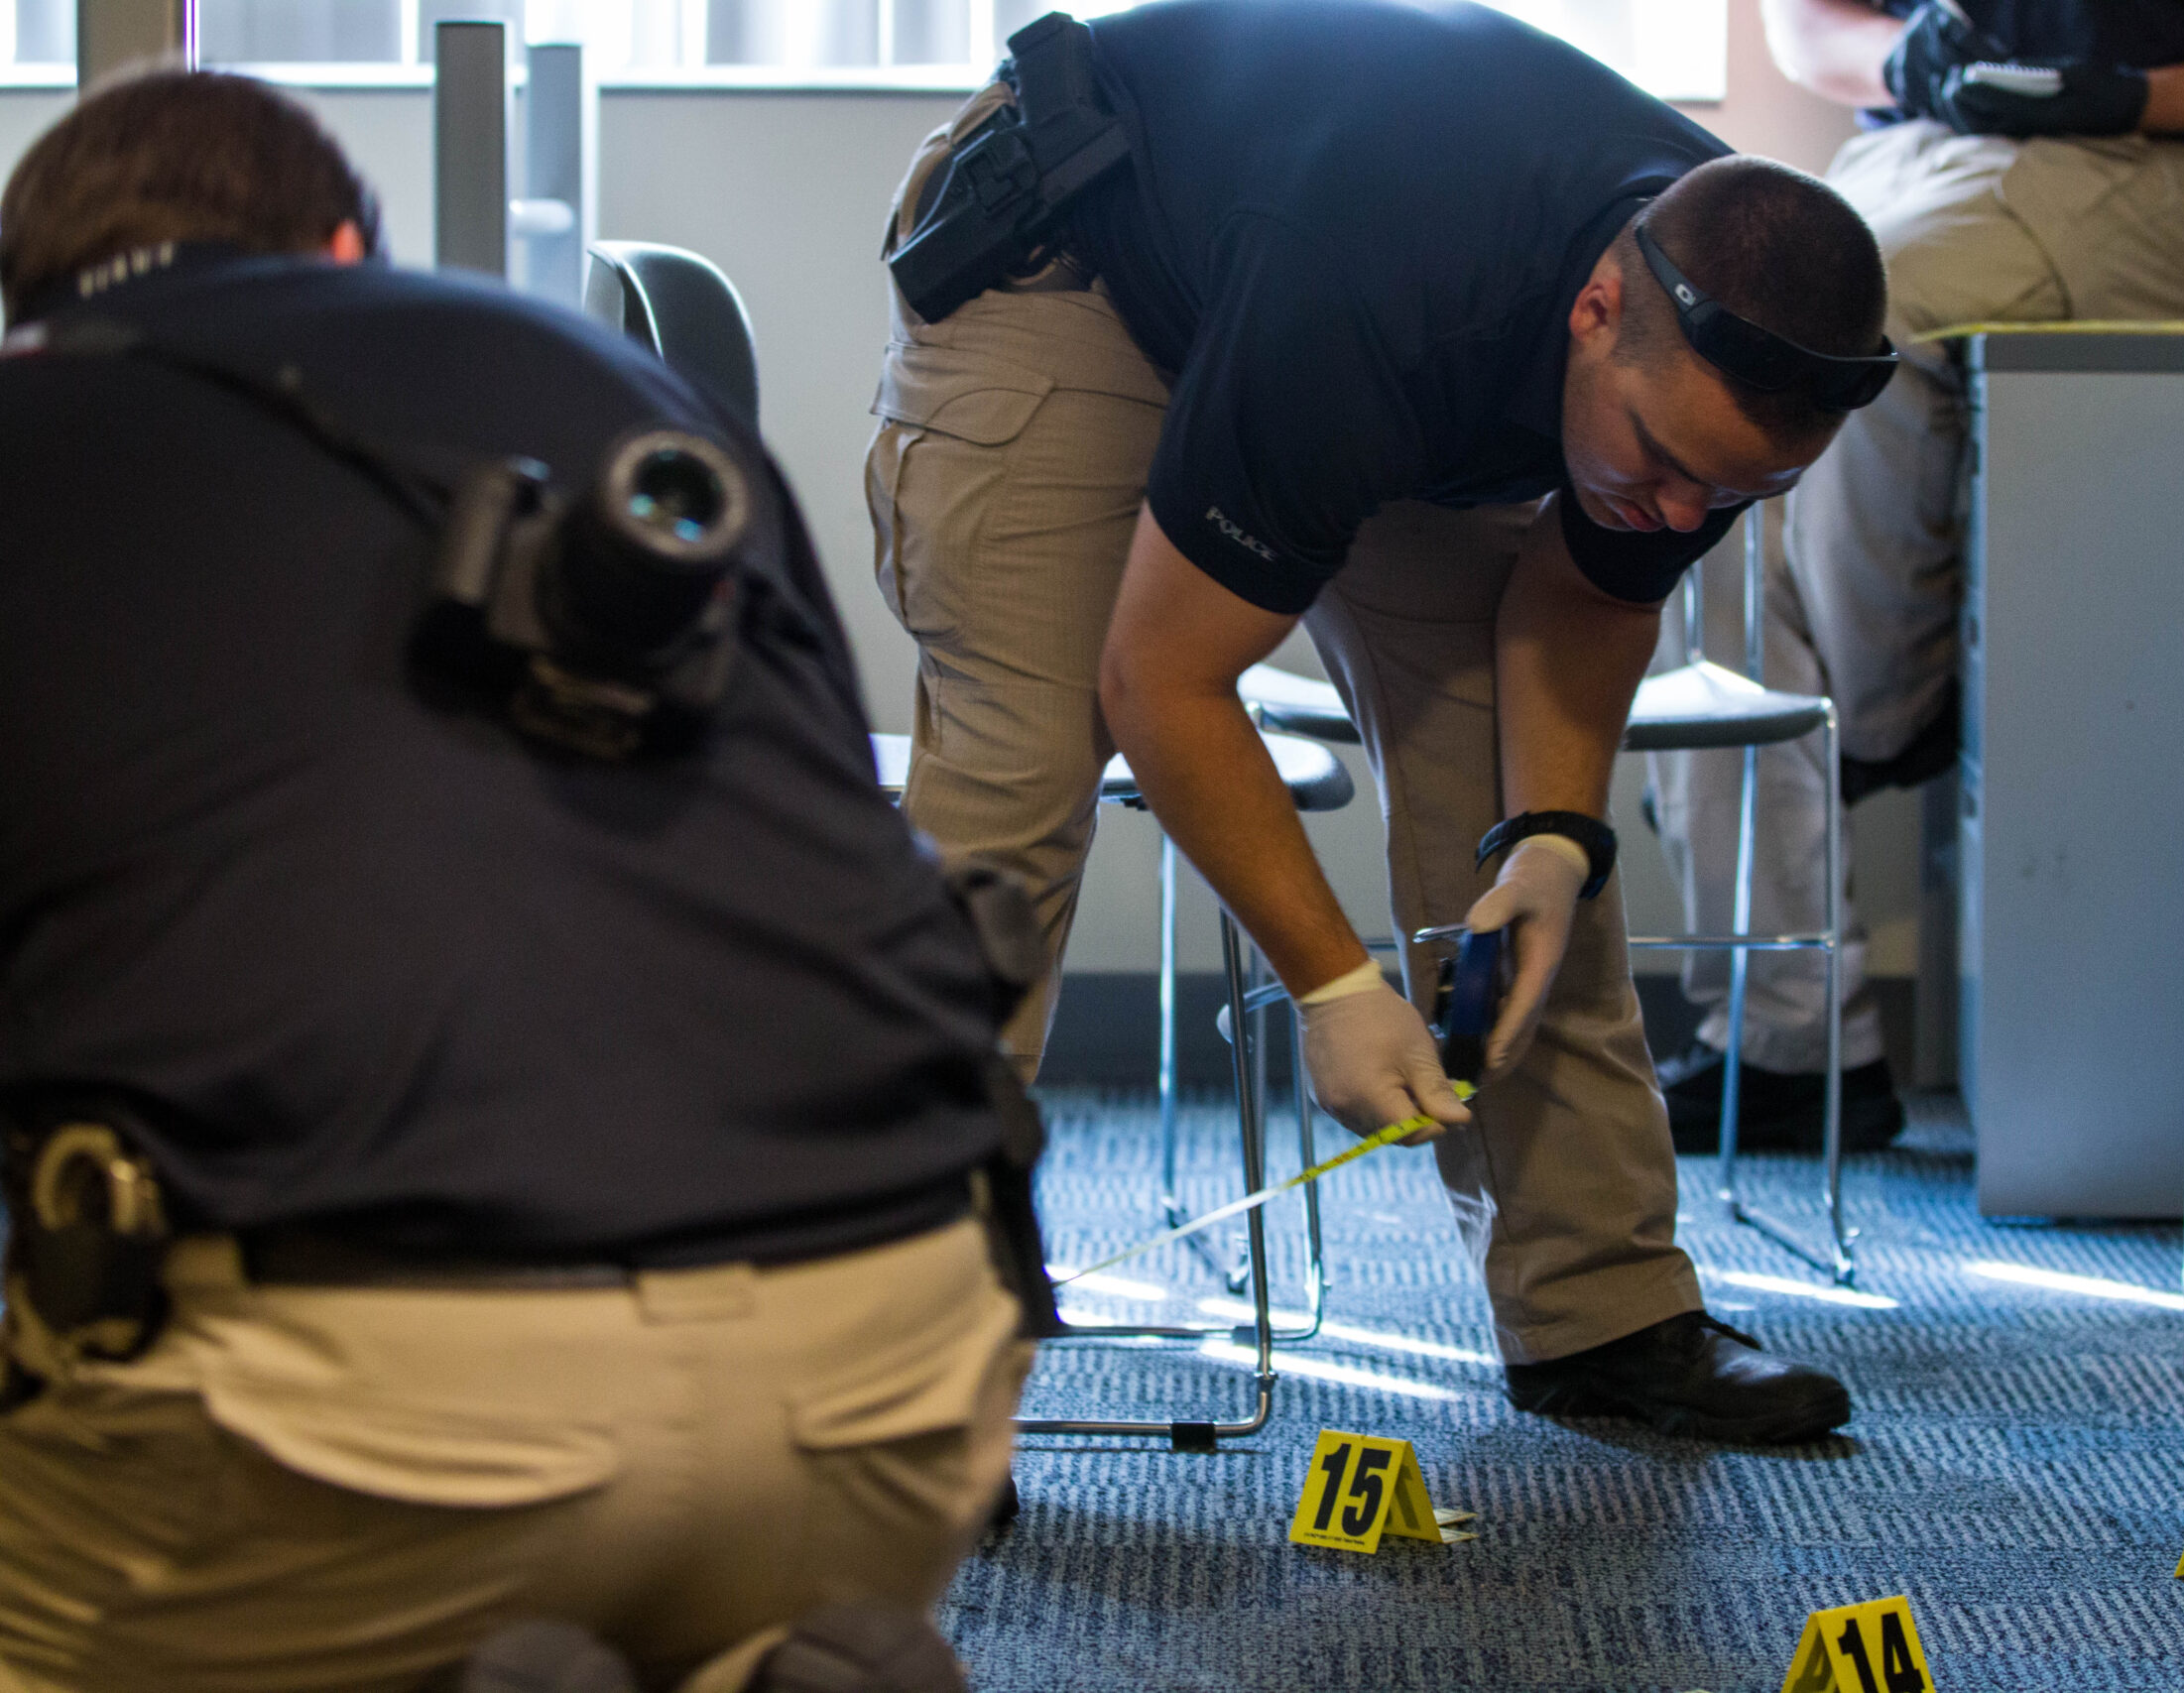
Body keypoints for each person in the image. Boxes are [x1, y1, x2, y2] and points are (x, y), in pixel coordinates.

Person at [0, 71, 1032, 1693]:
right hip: (901, 1354)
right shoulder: (627, 388)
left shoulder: (36, 423)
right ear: (348, 244)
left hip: (362, 1430)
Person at [869, 0, 1890, 1442]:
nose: (1682, 515)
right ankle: (900, 1360)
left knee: (1505, 799)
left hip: (1363, 317)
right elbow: (1161, 679)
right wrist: (1335, 983)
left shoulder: (1724, 331)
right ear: (1595, 310)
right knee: (1018, 775)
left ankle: (1602, 1313)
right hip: (1082, 256)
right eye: (1665, 468)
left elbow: (1588, 598)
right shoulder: (1376, 289)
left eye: (1729, 498)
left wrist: (1546, 841)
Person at [1649, 0, 2184, 1152]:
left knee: (1855, 324)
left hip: (2130, 164)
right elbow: (1806, 24)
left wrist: (2131, 94)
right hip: (1902, 145)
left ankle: (1875, 719)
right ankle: (1786, 1039)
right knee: (1699, 447)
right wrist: (1905, 59)